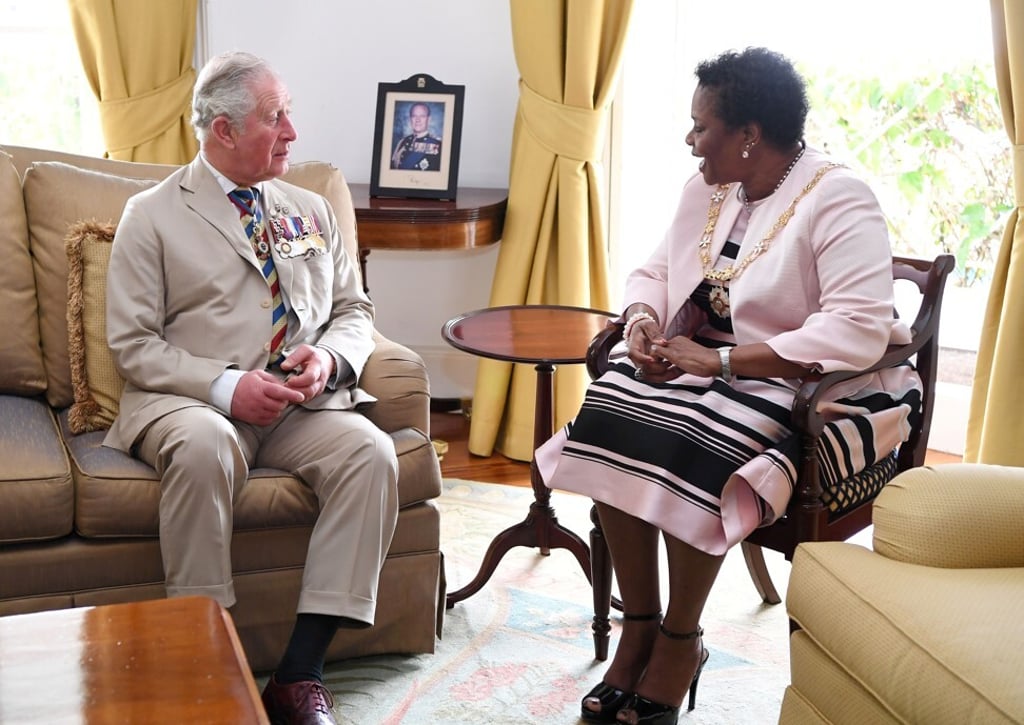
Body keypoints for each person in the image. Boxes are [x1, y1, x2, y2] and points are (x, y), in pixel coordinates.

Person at [535, 47, 921, 725]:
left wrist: (721, 363)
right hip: (701, 359)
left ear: (749, 136)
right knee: (610, 409)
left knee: (697, 438)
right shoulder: (708, 190)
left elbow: (857, 327)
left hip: (804, 378)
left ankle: (681, 640)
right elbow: (655, 270)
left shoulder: (838, 196)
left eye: (701, 127)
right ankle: (640, 627)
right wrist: (645, 325)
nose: (690, 142)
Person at [104, 51, 398, 725]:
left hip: (301, 405)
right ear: (223, 131)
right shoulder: (150, 215)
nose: (292, 131)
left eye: (288, 112)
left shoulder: (312, 208)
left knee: (372, 454)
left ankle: (299, 675)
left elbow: (355, 310)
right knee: (207, 445)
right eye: (275, 117)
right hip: (192, 403)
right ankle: (205, 662)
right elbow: (132, 345)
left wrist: (327, 359)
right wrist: (226, 386)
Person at [390, 101, 442, 170]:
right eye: (414, 116)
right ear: (410, 119)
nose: (418, 120)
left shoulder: (438, 145)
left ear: (429, 120)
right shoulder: (402, 142)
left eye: (422, 116)